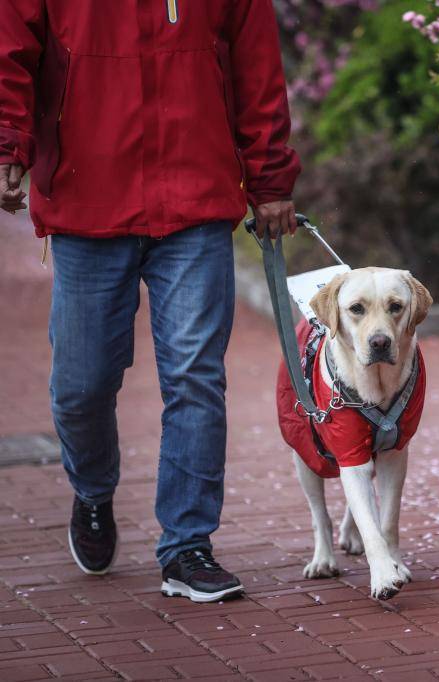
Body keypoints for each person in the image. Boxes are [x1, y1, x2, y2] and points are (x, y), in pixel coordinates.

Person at [0, 0, 300, 602]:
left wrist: (269, 180)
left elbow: (257, 69)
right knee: (81, 385)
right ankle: (92, 489)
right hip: (87, 199)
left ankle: (188, 546)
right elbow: (10, 48)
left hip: (196, 198)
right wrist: (10, 143)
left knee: (195, 374)